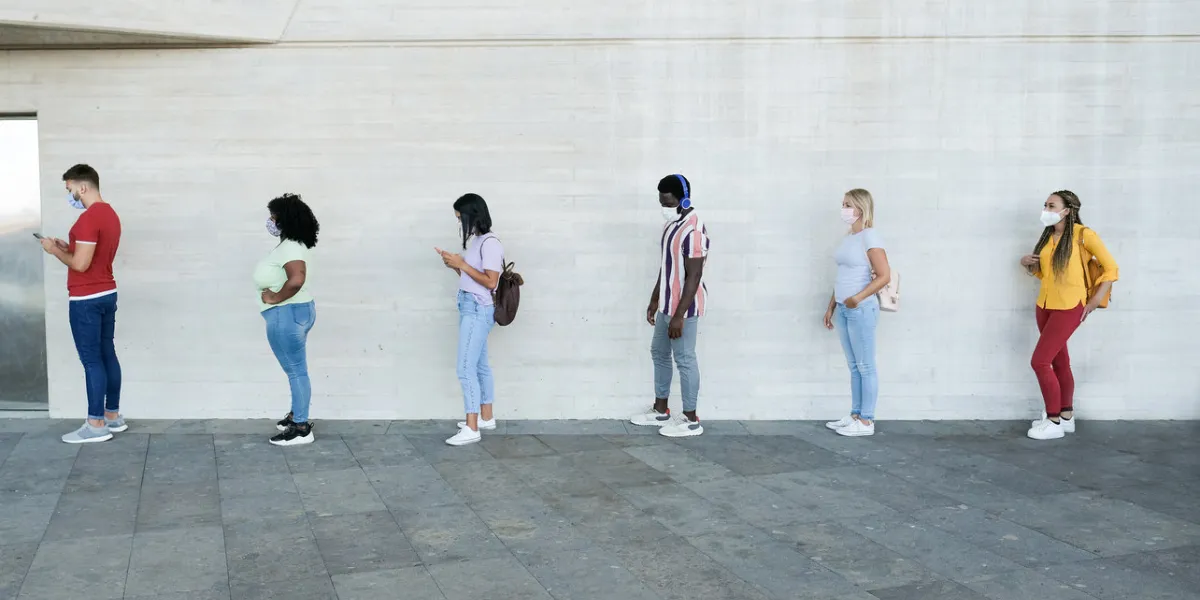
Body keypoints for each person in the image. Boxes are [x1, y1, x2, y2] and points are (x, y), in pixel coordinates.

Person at [1019, 190, 1117, 440]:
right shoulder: (1049, 237)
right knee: (1058, 361)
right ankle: (1066, 416)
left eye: (1051, 205)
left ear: (1067, 210)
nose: (1046, 209)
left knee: (1039, 362)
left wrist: (1094, 300)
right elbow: (1048, 275)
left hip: (1069, 307)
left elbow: (1111, 268)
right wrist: (1029, 264)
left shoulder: (1085, 236)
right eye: (1045, 205)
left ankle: (1052, 421)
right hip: (1045, 305)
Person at [41, 164, 125, 444]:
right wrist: (69, 247)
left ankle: (95, 424)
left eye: (70, 189)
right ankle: (112, 416)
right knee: (107, 354)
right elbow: (91, 255)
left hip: (86, 298)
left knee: (91, 360)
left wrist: (54, 251)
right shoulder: (111, 215)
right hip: (106, 292)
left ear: (82, 186)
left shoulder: (88, 219)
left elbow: (80, 264)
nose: (70, 195)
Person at [630, 174, 710, 437]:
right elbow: (667, 268)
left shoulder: (694, 230)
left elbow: (694, 276)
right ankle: (661, 410)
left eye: (668, 201)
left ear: (683, 199)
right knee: (659, 353)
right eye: (661, 201)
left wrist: (678, 316)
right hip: (666, 304)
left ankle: (690, 420)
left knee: (685, 359)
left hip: (683, 310)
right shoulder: (671, 226)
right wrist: (655, 299)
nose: (664, 206)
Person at [435, 193, 503, 446]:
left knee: (465, 368)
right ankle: (486, 417)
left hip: (478, 309)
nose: (458, 223)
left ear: (472, 215)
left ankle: (472, 427)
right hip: (469, 305)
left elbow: (490, 282)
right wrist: (455, 264)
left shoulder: (490, 243)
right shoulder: (476, 241)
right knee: (479, 364)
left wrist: (462, 265)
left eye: (460, 218)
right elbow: (472, 277)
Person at [824, 188, 891, 437]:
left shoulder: (870, 237)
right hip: (844, 308)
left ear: (860, 208)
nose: (843, 209)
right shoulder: (849, 237)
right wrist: (832, 305)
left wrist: (857, 298)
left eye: (848, 204)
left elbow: (884, 275)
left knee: (865, 366)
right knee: (854, 366)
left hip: (861, 309)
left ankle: (866, 421)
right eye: (843, 204)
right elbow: (843, 276)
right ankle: (855, 414)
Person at [256, 193, 320, 446]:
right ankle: (296, 415)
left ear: (285, 219)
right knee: (296, 370)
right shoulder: (291, 245)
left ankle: (301, 427)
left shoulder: (291, 247)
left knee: (296, 371)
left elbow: (296, 279)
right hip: (293, 312)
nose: (270, 221)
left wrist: (275, 297)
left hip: (287, 313)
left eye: (273, 216)